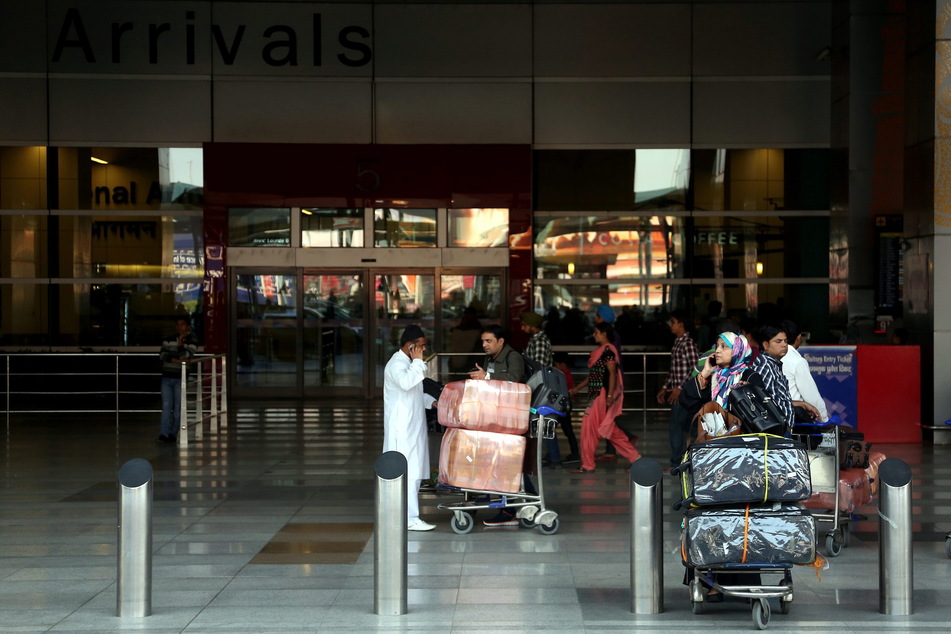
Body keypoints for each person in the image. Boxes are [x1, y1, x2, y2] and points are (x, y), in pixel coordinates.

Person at [677, 331, 763, 601]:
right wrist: (703, 374)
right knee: (712, 517)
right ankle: (711, 580)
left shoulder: (748, 377)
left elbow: (757, 414)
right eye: (715, 346)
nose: (717, 351)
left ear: (737, 349)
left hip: (742, 460)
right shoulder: (713, 378)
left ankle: (742, 579)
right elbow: (686, 402)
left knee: (740, 518)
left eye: (723, 347)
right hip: (711, 459)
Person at [468, 325, 531, 527]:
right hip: (495, 418)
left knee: (508, 464)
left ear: (501, 341)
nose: (484, 345)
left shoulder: (514, 357)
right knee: (502, 464)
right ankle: (520, 504)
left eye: (489, 341)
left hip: (510, 419)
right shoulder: (490, 360)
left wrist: (487, 377)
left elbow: (514, 380)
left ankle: (513, 508)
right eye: (483, 341)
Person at [383, 325, 437, 532]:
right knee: (407, 473)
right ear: (410, 345)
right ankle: (409, 518)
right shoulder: (397, 365)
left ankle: (409, 516)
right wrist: (417, 363)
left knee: (413, 472)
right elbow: (407, 383)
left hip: (413, 425)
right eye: (421, 347)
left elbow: (415, 391)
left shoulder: (408, 363)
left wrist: (433, 403)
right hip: (402, 429)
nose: (423, 350)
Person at [569, 322, 640, 473]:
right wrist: (576, 388)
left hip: (600, 396)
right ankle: (636, 458)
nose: (594, 335)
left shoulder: (608, 351)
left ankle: (587, 464)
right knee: (609, 430)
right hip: (596, 394)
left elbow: (612, 374)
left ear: (604, 334)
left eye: (596, 332)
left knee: (590, 428)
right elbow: (593, 376)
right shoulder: (602, 352)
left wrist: (609, 396)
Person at [657, 310, 699, 470]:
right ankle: (688, 460)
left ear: (681, 324)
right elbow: (674, 370)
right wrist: (665, 387)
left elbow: (696, 368)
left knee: (677, 426)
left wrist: (679, 388)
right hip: (679, 391)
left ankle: (677, 463)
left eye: (673, 322)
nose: (670, 325)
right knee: (687, 426)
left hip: (684, 393)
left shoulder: (688, 343)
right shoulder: (678, 342)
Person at [749, 324, 810, 433]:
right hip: (775, 432)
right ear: (766, 345)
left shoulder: (774, 365)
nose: (784, 345)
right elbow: (763, 402)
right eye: (778, 341)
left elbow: (777, 399)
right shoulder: (765, 367)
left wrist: (802, 404)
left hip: (782, 429)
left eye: (785, 341)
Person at [778, 320, 828, 422]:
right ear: (799, 337)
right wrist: (824, 419)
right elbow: (811, 396)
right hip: (795, 417)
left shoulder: (769, 358)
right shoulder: (797, 361)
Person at [158, 316, 198, 444]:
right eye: (178, 324)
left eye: (183, 324)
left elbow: (187, 355)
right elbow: (163, 355)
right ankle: (163, 434)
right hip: (167, 376)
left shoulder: (193, 341)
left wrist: (180, 342)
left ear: (188, 326)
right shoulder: (168, 339)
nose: (180, 327)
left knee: (178, 407)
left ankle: (172, 434)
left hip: (180, 378)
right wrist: (177, 359)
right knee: (166, 406)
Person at [551, 352, 580, 464]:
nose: (555, 367)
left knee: (563, 429)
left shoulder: (563, 375)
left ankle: (557, 455)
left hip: (563, 405)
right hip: (565, 405)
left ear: (562, 364)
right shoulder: (566, 374)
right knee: (567, 430)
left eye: (556, 364)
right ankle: (574, 453)